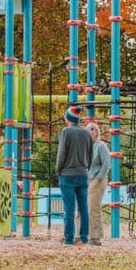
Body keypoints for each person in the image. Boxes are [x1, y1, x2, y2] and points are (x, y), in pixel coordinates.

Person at [56, 105, 92, 246]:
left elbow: (61, 154)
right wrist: (86, 168)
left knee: (69, 208)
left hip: (67, 174)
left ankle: (69, 238)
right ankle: (83, 237)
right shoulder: (86, 133)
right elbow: (90, 154)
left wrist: (59, 170)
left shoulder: (66, 132)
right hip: (82, 174)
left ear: (68, 118)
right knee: (83, 208)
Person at [86, 121, 111, 246]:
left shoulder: (101, 146)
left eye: (92, 129)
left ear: (96, 132)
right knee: (81, 209)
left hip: (97, 180)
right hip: (86, 180)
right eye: (87, 129)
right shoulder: (86, 147)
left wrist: (99, 178)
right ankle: (80, 235)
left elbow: (107, 163)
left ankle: (95, 237)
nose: (89, 131)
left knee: (93, 207)